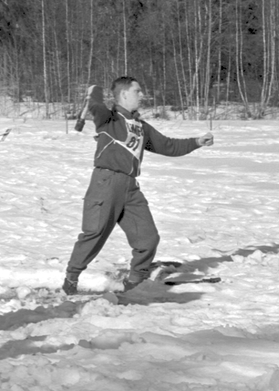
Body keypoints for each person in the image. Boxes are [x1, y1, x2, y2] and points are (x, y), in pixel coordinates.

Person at [63, 77, 213, 295]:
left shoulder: (141, 127)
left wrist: (196, 142)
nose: (142, 95)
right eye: (138, 91)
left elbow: (168, 146)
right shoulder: (109, 119)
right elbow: (95, 104)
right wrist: (94, 90)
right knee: (95, 234)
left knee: (148, 238)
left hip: (130, 187)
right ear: (124, 94)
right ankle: (71, 279)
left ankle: (135, 282)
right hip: (106, 183)